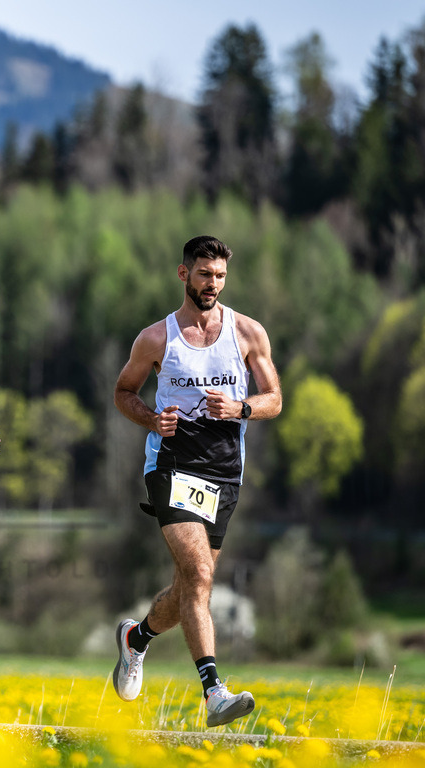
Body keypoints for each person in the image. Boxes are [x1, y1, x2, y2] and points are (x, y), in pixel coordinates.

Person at [111, 235, 282, 728]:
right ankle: (214, 694)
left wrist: (242, 407)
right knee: (200, 576)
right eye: (205, 274)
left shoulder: (248, 333)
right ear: (184, 274)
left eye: (221, 276)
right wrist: (150, 420)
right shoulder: (156, 338)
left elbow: (273, 397)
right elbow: (124, 391)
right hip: (171, 466)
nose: (213, 284)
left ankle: (136, 638)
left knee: (192, 587)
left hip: (226, 471)